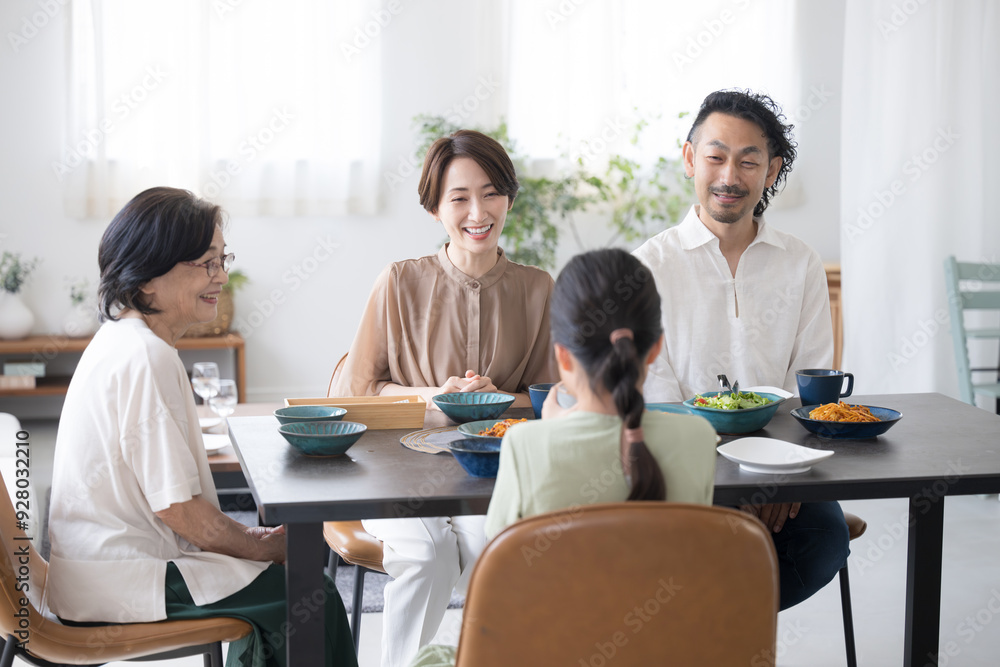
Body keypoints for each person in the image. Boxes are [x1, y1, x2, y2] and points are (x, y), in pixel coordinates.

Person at [47, 187, 357, 667]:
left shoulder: (121, 340)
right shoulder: (146, 356)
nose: (222, 276)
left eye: (221, 260)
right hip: (122, 579)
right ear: (148, 278)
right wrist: (263, 546)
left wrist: (254, 544)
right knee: (309, 595)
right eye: (206, 264)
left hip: (99, 568)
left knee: (287, 584)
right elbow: (180, 511)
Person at [407, 249, 718, 667]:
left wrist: (550, 429)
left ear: (563, 356)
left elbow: (493, 587)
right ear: (655, 348)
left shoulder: (528, 446)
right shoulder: (699, 438)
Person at [331, 130, 558, 667]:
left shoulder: (538, 288)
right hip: (395, 467)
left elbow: (550, 399)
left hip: (488, 471)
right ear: (435, 208)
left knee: (503, 552)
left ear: (509, 198)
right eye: (459, 198)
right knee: (428, 553)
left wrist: (497, 399)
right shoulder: (398, 282)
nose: (478, 211)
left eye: (491, 193)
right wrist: (437, 396)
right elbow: (356, 391)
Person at [632, 89, 849, 610]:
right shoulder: (648, 267)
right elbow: (656, 401)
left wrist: (780, 477)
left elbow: (811, 390)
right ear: (690, 160)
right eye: (715, 157)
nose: (730, 176)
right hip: (682, 470)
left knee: (822, 541)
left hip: (783, 465)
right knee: (668, 554)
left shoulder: (800, 264)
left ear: (771, 171)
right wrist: (729, 492)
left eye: (749, 161)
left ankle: (718, 640)